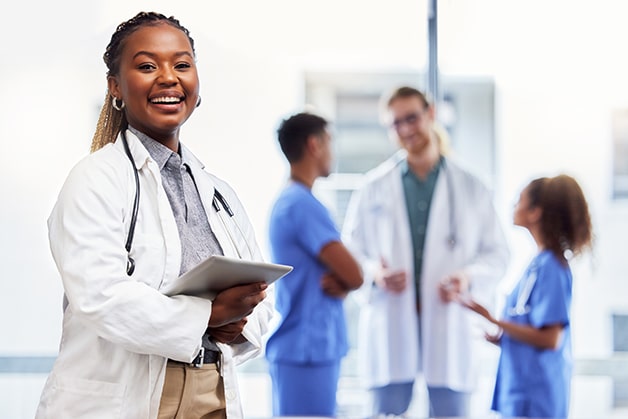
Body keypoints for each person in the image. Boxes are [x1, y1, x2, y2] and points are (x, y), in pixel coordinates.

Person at [36, 12, 273, 419]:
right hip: (124, 398)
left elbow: (264, 295)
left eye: (182, 65)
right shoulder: (94, 180)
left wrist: (240, 322)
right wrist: (209, 316)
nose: (168, 77)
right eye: (147, 66)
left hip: (212, 388)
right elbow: (102, 296)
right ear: (116, 86)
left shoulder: (218, 192)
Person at [342, 86, 510, 417]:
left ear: (430, 114)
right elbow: (352, 253)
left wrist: (467, 276)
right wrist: (376, 273)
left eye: (412, 118)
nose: (405, 129)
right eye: (396, 123)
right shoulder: (373, 187)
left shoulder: (471, 186)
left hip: (449, 326)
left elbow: (497, 254)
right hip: (390, 324)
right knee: (385, 411)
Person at [459, 174, 593, 418]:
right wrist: (502, 338)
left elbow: (551, 339)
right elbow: (531, 327)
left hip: (537, 397)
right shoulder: (537, 264)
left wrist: (494, 319)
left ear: (535, 212)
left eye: (519, 200)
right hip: (521, 390)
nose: (513, 205)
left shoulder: (552, 267)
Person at [265, 112, 364, 417]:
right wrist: (347, 281)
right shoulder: (302, 205)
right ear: (314, 145)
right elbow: (356, 275)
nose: (333, 152)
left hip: (305, 348)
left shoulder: (291, 201)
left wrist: (343, 284)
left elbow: (343, 278)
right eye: (330, 142)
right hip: (306, 350)